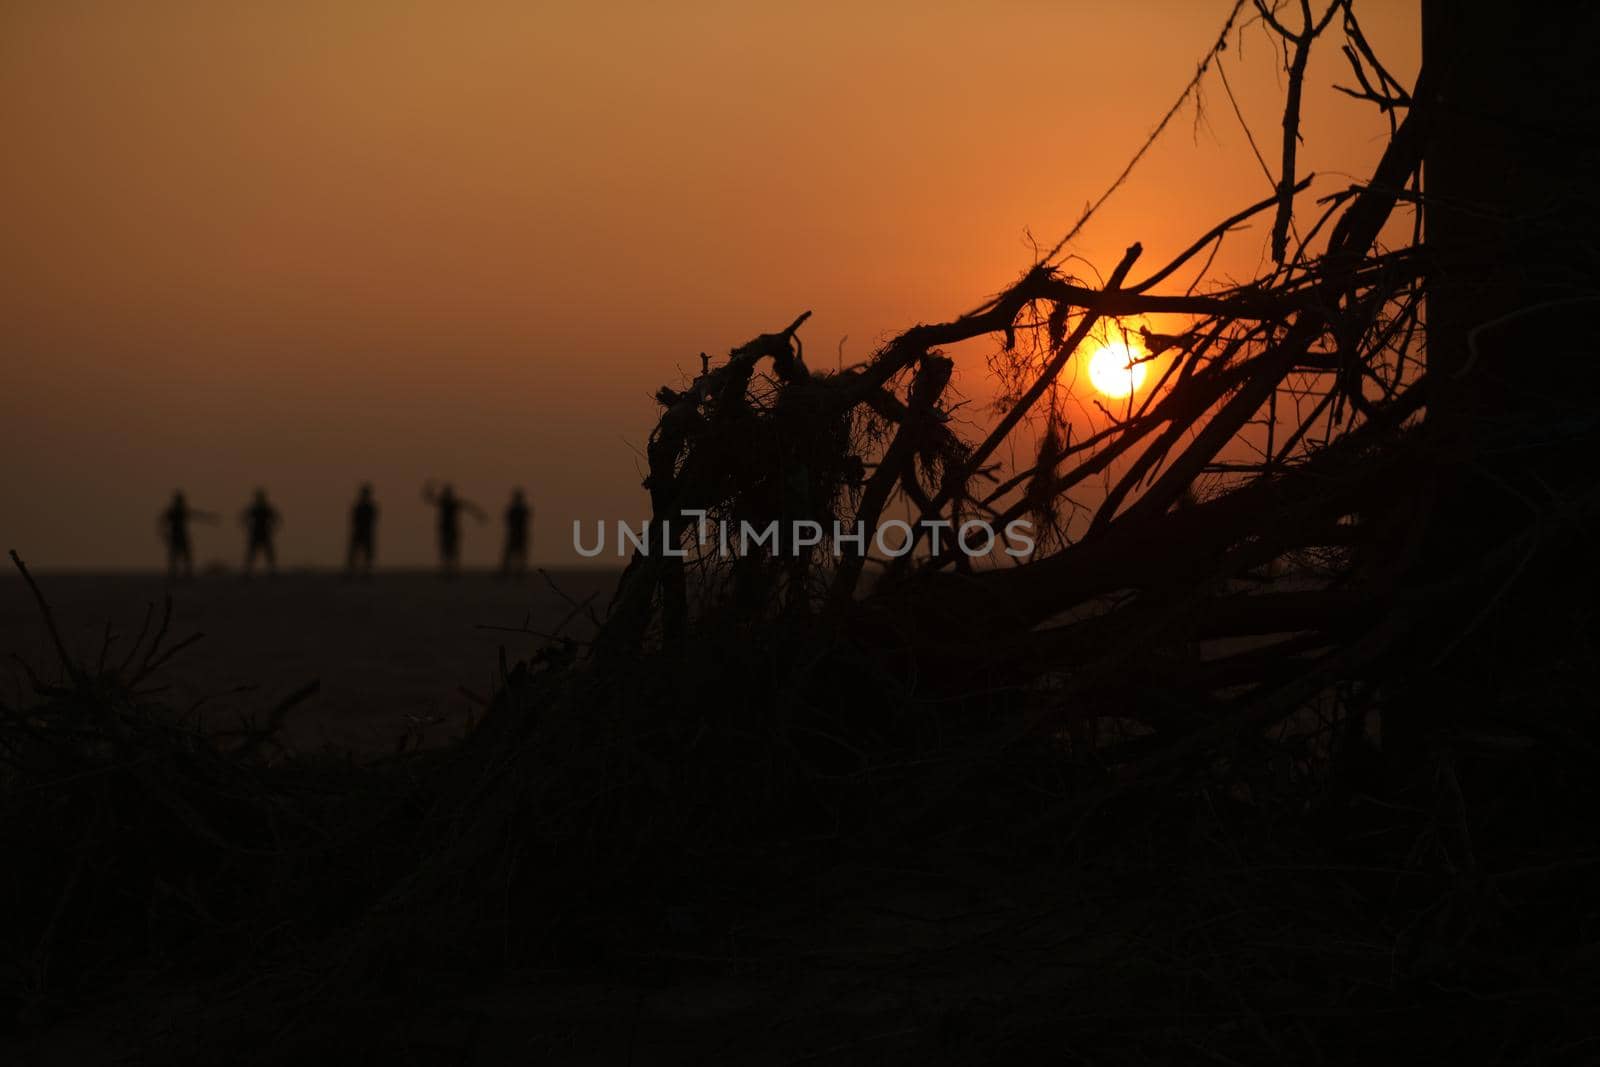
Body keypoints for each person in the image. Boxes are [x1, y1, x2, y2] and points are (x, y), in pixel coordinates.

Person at [422, 481, 484, 577]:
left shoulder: (451, 503)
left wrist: (479, 515)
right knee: (447, 551)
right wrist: (429, 487)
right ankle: (449, 571)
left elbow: (469, 507)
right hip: (447, 530)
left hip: (451, 530)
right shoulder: (445, 503)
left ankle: (452, 571)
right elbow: (429, 498)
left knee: (451, 551)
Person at [158, 490, 215, 581]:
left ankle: (184, 574)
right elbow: (162, 522)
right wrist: (164, 535)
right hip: (177, 536)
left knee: (183, 556)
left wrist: (209, 518)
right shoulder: (174, 511)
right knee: (177, 557)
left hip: (181, 536)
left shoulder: (178, 511)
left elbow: (196, 514)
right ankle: (176, 575)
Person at [240, 488, 281, 576]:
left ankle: (272, 573)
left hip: (262, 533)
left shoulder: (264, 509)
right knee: (253, 555)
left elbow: (276, 519)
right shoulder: (257, 509)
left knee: (267, 555)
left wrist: (272, 528)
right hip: (259, 533)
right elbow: (244, 518)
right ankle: (247, 573)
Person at [346, 483, 379, 577]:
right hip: (362, 532)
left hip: (364, 532)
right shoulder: (364, 507)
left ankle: (364, 574)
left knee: (366, 556)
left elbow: (372, 520)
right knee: (356, 554)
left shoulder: (367, 507)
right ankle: (353, 573)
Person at [500, 487, 532, 577]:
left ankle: (517, 572)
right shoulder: (519, 509)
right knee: (512, 554)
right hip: (516, 533)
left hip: (518, 533)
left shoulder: (520, 509)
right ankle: (509, 572)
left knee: (517, 554)